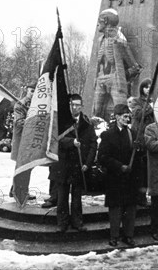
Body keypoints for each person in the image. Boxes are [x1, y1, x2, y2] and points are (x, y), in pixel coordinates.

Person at [49, 94, 96, 233]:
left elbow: (93, 143)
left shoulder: (86, 123)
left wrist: (88, 163)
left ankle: (77, 222)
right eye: (72, 105)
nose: (75, 108)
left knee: (77, 196)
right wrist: (71, 143)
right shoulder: (61, 121)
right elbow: (54, 140)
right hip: (63, 164)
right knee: (62, 196)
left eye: (77, 105)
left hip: (79, 165)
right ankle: (62, 223)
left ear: (82, 106)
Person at [97, 104, 139, 247]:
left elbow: (138, 156)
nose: (127, 119)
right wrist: (119, 166)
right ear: (116, 117)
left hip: (130, 178)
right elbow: (102, 157)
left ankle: (128, 235)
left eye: (129, 116)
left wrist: (139, 149)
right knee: (116, 208)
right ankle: (114, 236)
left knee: (130, 208)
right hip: (115, 178)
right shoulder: (108, 135)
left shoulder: (133, 134)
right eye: (124, 116)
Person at [93, 8, 143, 121]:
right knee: (96, 112)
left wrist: (122, 76)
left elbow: (135, 67)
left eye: (99, 21)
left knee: (120, 112)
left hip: (115, 79)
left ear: (105, 21)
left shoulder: (119, 42)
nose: (97, 24)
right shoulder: (100, 40)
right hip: (100, 79)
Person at [9, 83, 37, 201]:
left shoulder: (38, 104)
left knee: (29, 166)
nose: (33, 93)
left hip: (32, 140)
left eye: (35, 91)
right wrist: (34, 122)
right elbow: (19, 121)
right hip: (22, 140)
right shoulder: (20, 104)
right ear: (26, 90)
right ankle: (19, 191)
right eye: (31, 91)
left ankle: (17, 189)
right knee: (22, 165)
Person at [132, 78, 154, 207]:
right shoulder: (137, 101)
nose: (148, 89)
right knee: (140, 171)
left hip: (151, 137)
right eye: (146, 87)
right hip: (141, 138)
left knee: (148, 171)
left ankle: (145, 195)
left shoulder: (154, 100)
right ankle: (140, 197)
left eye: (150, 87)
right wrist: (151, 108)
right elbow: (138, 114)